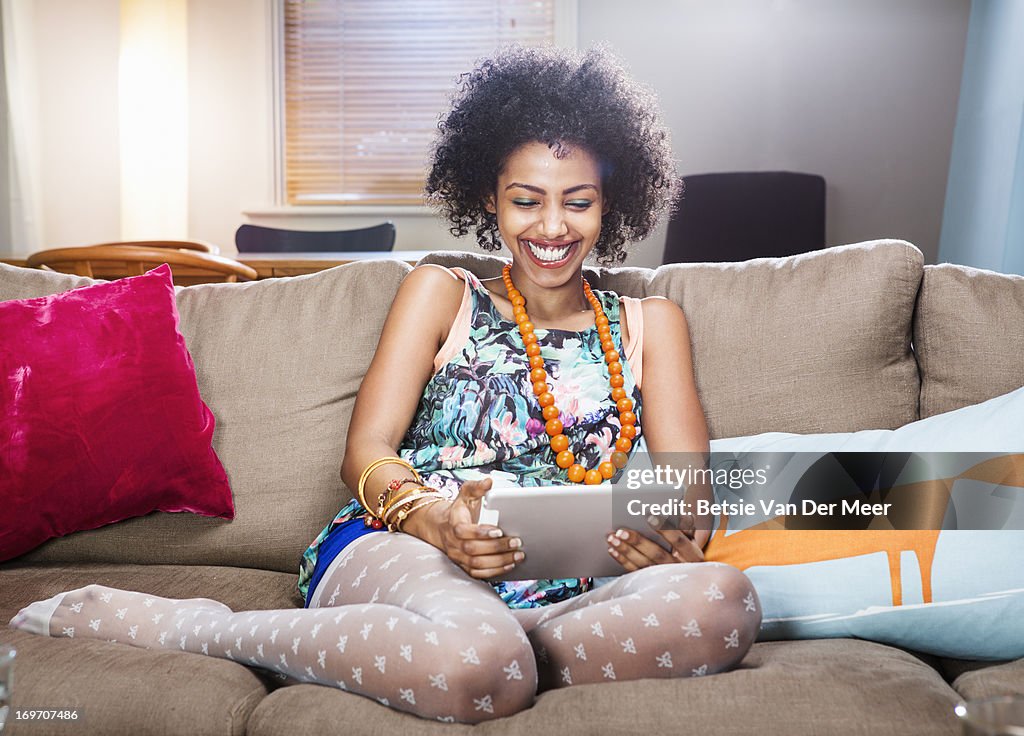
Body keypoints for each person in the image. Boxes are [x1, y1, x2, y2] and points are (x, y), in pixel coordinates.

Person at [10, 45, 760, 723]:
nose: (552, 226)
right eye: (526, 199)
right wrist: (436, 519)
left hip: (571, 580)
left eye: (578, 200)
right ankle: (197, 627)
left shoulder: (650, 324)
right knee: (478, 655)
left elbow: (686, 494)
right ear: (490, 200)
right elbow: (365, 450)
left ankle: (495, 656)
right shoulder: (442, 293)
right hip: (407, 544)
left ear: (612, 203)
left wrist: (667, 545)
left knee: (724, 600)